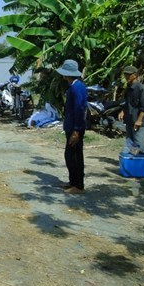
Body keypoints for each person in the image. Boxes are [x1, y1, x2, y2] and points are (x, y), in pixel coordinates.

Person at [56, 59, 87, 195]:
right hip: (71, 126)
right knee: (70, 155)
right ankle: (72, 181)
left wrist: (77, 130)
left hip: (75, 127)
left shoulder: (77, 87)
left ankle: (78, 185)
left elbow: (80, 109)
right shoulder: (74, 86)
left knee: (74, 156)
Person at [118, 65, 144, 151]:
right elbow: (127, 102)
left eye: (128, 74)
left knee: (139, 144)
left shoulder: (141, 88)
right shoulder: (128, 87)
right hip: (129, 120)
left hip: (137, 120)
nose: (126, 76)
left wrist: (139, 120)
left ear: (135, 75)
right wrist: (123, 111)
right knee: (130, 143)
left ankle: (140, 162)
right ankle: (132, 162)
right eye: (125, 74)